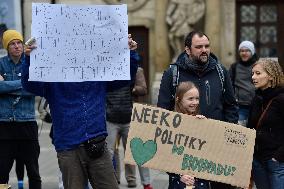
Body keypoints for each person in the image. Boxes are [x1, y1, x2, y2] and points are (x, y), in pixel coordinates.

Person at [21, 34, 139, 189]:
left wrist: (129, 53)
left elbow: (124, 78)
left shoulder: (97, 74)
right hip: (68, 148)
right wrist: (29, 59)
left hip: (97, 145)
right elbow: (29, 85)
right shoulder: (52, 77)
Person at [157, 30, 238, 189]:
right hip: (184, 150)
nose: (204, 50)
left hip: (216, 149)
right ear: (187, 50)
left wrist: (226, 137)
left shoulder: (221, 72)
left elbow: (231, 106)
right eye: (199, 46)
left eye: (207, 46)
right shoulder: (173, 74)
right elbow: (163, 113)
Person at [0, 30, 42, 188]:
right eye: (12, 43)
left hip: (27, 123)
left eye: (19, 42)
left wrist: (6, 86)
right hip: (4, 124)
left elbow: (34, 88)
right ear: (7, 46)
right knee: (2, 173)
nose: (17, 46)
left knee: (33, 172)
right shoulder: (1, 64)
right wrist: (23, 83)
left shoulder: (31, 62)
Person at [106, 66, 153, 189]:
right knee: (109, 152)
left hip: (130, 118)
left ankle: (145, 183)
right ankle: (112, 181)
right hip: (110, 118)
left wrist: (131, 87)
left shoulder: (136, 69)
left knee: (137, 151)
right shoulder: (105, 69)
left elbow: (143, 89)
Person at [247, 58, 284, 189]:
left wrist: (278, 157)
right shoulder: (257, 98)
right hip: (258, 160)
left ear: (271, 76)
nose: (253, 77)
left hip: (277, 162)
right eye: (253, 73)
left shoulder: (281, 99)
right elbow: (249, 127)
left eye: (258, 73)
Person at [169, 81, 208, 189]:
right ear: (178, 99)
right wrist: (179, 175)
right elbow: (165, 156)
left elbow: (209, 151)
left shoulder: (200, 120)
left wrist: (207, 128)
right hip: (179, 183)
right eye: (190, 99)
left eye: (197, 98)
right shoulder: (170, 125)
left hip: (200, 183)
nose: (195, 102)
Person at [229, 40, 258, 126]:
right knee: (240, 130)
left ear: (252, 52)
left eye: (247, 51)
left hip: (257, 105)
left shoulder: (258, 66)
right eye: (242, 51)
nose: (244, 53)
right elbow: (229, 84)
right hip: (240, 106)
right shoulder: (234, 67)